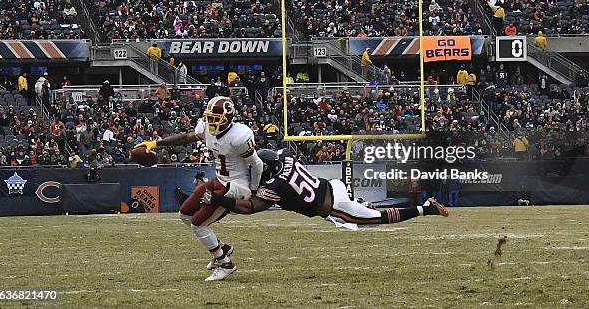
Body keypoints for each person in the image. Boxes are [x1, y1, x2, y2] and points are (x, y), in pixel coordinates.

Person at [135, 96, 263, 281]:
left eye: (215, 118)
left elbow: (256, 164)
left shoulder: (239, 136)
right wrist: (156, 143)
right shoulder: (206, 128)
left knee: (198, 224)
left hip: (236, 186)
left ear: (228, 118)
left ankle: (225, 263)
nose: (210, 122)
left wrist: (254, 191)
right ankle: (222, 248)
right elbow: (186, 137)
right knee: (185, 214)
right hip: (220, 180)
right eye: (209, 117)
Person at [205, 149, 448, 231]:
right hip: (334, 186)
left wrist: (218, 199)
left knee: (377, 219)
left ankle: (425, 208)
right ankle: (363, 205)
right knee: (364, 211)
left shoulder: (276, 186)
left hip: (335, 207)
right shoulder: (286, 157)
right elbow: (280, 155)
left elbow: (248, 208)